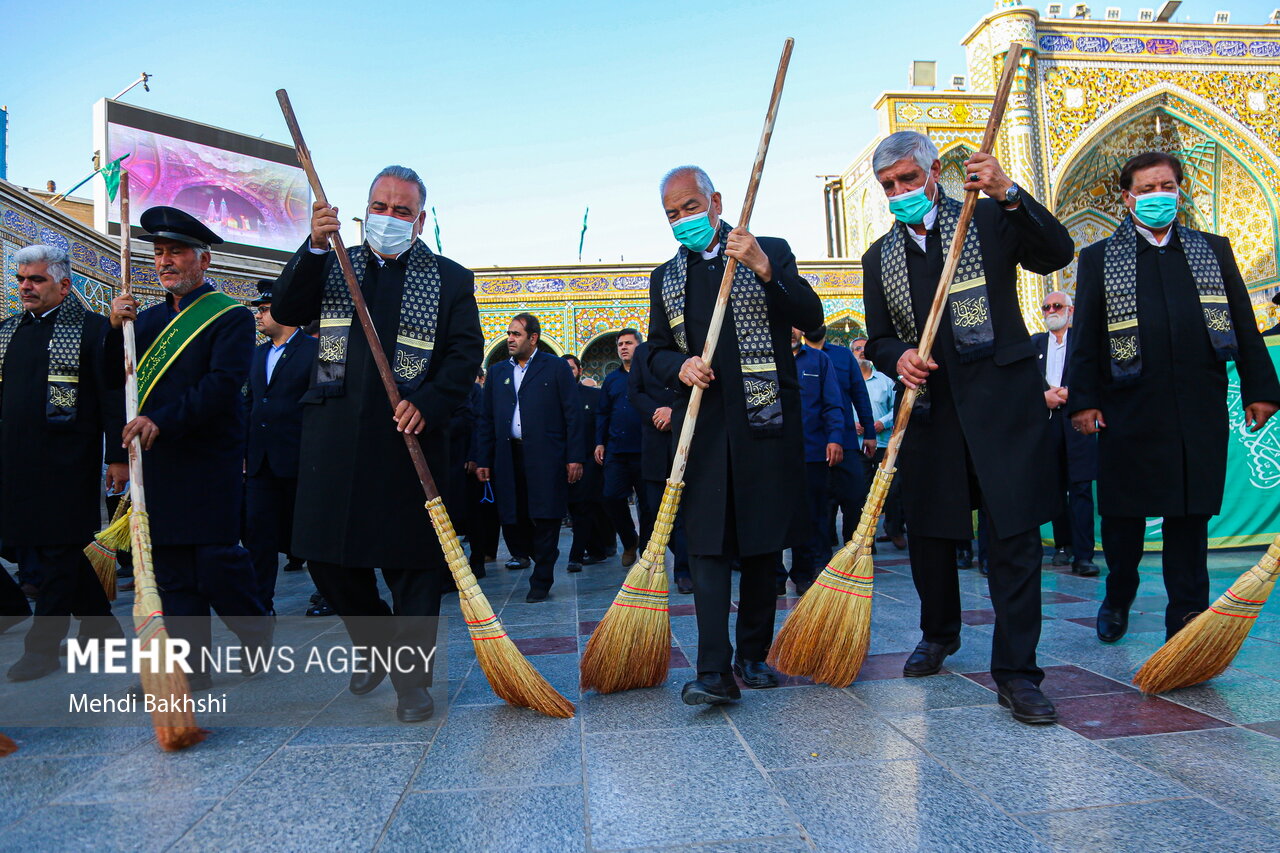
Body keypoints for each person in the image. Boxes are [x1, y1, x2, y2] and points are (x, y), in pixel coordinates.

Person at [862, 131, 1074, 725]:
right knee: (931, 535)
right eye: (888, 186)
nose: (900, 192)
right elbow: (878, 335)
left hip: (1003, 407)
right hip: (931, 415)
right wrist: (896, 356)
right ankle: (939, 632)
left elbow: (1054, 250)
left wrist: (1008, 191)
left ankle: (1018, 672)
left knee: (1013, 539)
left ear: (934, 174)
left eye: (908, 179)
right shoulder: (880, 257)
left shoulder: (983, 219)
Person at [271, 165, 483, 722]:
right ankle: (375, 640)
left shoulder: (450, 280)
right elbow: (288, 310)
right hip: (335, 439)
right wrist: (315, 248)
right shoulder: (336, 263)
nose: (389, 219)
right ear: (365, 211)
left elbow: (465, 357)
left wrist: (429, 403)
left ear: (419, 222)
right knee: (326, 560)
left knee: (413, 570)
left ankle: (413, 684)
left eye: (402, 211)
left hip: (407, 440)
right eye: (380, 208)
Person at [1068, 151, 1280, 644]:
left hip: (1196, 402)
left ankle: (1186, 615)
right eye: (1147, 189)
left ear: (1179, 190)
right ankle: (1118, 594)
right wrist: (1084, 401)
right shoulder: (1100, 257)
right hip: (1128, 407)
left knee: (1190, 512)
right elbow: (1086, 337)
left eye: (1166, 186)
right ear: (1128, 198)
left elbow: (1243, 324)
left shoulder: (1212, 249)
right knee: (1124, 514)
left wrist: (1260, 388)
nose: (1158, 195)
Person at [647, 165, 823, 705]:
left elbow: (812, 318)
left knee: (761, 542)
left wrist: (766, 269)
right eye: (672, 214)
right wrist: (679, 366)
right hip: (702, 427)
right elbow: (651, 354)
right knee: (706, 547)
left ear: (716, 201)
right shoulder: (666, 277)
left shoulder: (767, 249)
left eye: (691, 207)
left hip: (763, 422)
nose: (683, 220)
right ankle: (714, 668)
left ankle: (753, 652)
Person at [107, 208, 269, 692]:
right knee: (173, 567)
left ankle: (256, 628)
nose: (164, 262)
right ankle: (188, 667)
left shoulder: (230, 316)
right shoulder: (145, 319)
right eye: (158, 253)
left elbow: (222, 385)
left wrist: (164, 420)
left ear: (204, 259)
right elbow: (117, 382)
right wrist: (115, 331)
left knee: (216, 560)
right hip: (158, 461)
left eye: (175, 252)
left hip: (207, 457)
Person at [2, 245, 126, 681]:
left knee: (57, 551)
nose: (25, 287)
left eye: (35, 279)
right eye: (21, 279)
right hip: (16, 462)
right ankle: (101, 623)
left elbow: (113, 397)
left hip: (67, 462)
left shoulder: (93, 331)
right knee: (56, 550)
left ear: (64, 284)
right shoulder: (8, 331)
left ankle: (42, 648)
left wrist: (118, 457)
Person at [475, 313, 583, 602]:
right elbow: (486, 419)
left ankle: (542, 577)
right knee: (513, 518)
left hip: (546, 457)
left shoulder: (556, 368)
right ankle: (541, 554)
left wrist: (575, 457)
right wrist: (483, 459)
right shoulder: (497, 372)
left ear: (533, 338)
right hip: (507, 459)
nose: (510, 338)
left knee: (546, 516)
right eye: (509, 333)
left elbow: (573, 414)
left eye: (517, 334)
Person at [243, 280, 327, 616]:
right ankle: (260, 601)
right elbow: (249, 402)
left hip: (300, 459)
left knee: (312, 533)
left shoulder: (315, 350)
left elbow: (322, 402)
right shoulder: (256, 354)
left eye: (264, 310)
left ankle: (330, 593)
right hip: (262, 462)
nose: (259, 316)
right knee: (257, 536)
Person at [1030, 291, 1099, 577]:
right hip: (1047, 422)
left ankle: (1083, 556)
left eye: (1057, 305)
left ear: (1070, 311)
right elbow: (1021, 380)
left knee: (1080, 487)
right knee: (1053, 486)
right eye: (1046, 307)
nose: (1051, 310)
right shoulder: (1034, 344)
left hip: (1077, 420)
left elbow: (1097, 373)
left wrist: (1074, 393)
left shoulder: (1084, 341)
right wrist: (1042, 396)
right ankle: (1062, 546)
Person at [778, 327, 844, 596]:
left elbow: (832, 403)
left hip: (813, 452)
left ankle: (804, 573)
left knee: (811, 516)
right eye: (786, 323)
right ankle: (774, 577)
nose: (790, 330)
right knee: (773, 516)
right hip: (773, 454)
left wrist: (835, 437)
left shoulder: (819, 360)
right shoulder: (764, 358)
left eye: (795, 325)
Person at [628, 339, 692, 593]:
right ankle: (652, 569)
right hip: (654, 440)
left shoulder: (690, 346)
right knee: (653, 510)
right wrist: (658, 412)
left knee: (684, 513)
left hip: (684, 440)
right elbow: (635, 392)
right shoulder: (643, 352)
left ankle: (685, 571)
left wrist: (673, 413)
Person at [805, 326, 875, 546]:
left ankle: (853, 552)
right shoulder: (794, 356)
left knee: (855, 497)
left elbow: (859, 394)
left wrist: (869, 432)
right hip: (812, 445)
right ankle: (820, 563)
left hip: (845, 441)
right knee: (818, 506)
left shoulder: (842, 355)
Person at [595, 329, 648, 566]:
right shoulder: (612, 380)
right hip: (617, 449)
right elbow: (603, 412)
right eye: (620, 344)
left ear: (640, 346)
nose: (623, 347)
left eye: (628, 343)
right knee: (610, 498)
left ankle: (647, 555)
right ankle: (629, 540)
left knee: (648, 506)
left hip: (645, 450)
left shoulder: (650, 375)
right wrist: (599, 441)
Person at [563, 354, 605, 573]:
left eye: (571, 368)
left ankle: (576, 555)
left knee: (583, 505)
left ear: (579, 370)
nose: (568, 372)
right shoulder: (553, 397)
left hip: (588, 460)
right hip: (562, 461)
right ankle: (597, 548)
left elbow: (600, 424)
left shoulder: (593, 395)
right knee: (575, 507)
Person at [859, 357, 906, 549]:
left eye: (864, 349)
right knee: (861, 490)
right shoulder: (847, 379)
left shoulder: (885, 380)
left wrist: (882, 423)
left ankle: (894, 529)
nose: (861, 353)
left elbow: (896, 407)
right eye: (857, 349)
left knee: (892, 490)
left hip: (884, 443)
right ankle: (864, 538)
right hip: (858, 444)